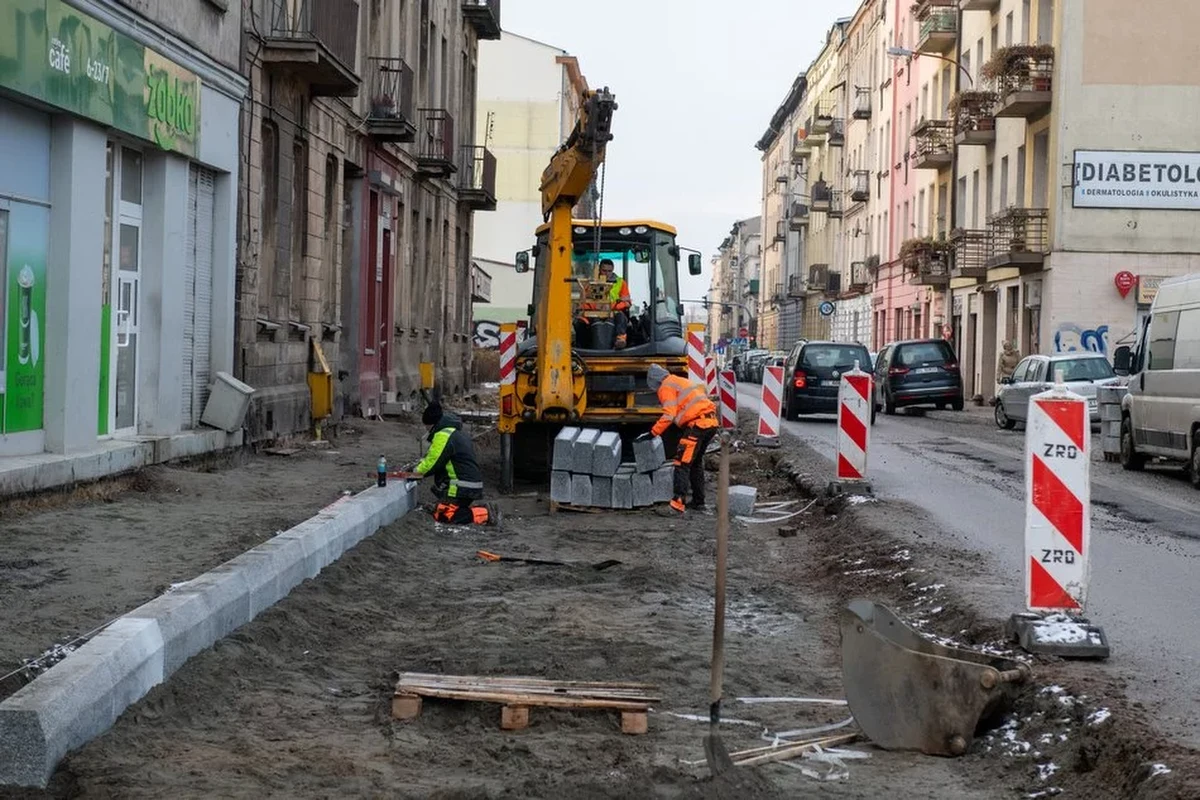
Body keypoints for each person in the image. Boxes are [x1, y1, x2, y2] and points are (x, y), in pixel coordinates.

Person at [406, 401, 499, 526]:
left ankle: (484, 513)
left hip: (460, 486)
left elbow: (432, 462)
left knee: (444, 515)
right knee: (443, 510)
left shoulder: (443, 435)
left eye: (426, 426)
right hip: (468, 484)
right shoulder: (454, 432)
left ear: (432, 424)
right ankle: (476, 511)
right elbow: (434, 457)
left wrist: (414, 472)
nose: (425, 429)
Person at [645, 363, 719, 514]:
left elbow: (669, 415)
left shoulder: (665, 386)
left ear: (654, 381)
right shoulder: (678, 380)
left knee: (682, 462)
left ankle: (677, 504)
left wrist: (653, 432)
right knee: (695, 463)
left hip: (698, 425)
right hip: (710, 423)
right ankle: (699, 502)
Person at [575, 258, 632, 349]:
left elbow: (627, 302)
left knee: (621, 317)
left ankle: (620, 340)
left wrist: (612, 306)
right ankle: (581, 347)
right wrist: (596, 307)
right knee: (580, 323)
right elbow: (583, 303)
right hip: (593, 313)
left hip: (614, 312)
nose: (607, 273)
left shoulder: (620, 283)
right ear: (599, 270)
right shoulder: (590, 283)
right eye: (604, 270)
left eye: (609, 271)